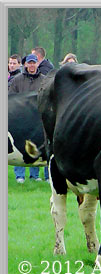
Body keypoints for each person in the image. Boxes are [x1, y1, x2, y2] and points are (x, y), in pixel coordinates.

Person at [8, 53, 47, 183]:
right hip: (20, 116)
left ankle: (36, 176)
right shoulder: (18, 79)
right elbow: (11, 96)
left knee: (39, 142)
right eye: (29, 63)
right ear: (25, 64)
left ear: (37, 64)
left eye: (33, 63)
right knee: (19, 141)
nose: (31, 65)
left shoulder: (44, 80)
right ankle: (20, 176)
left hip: (38, 117)